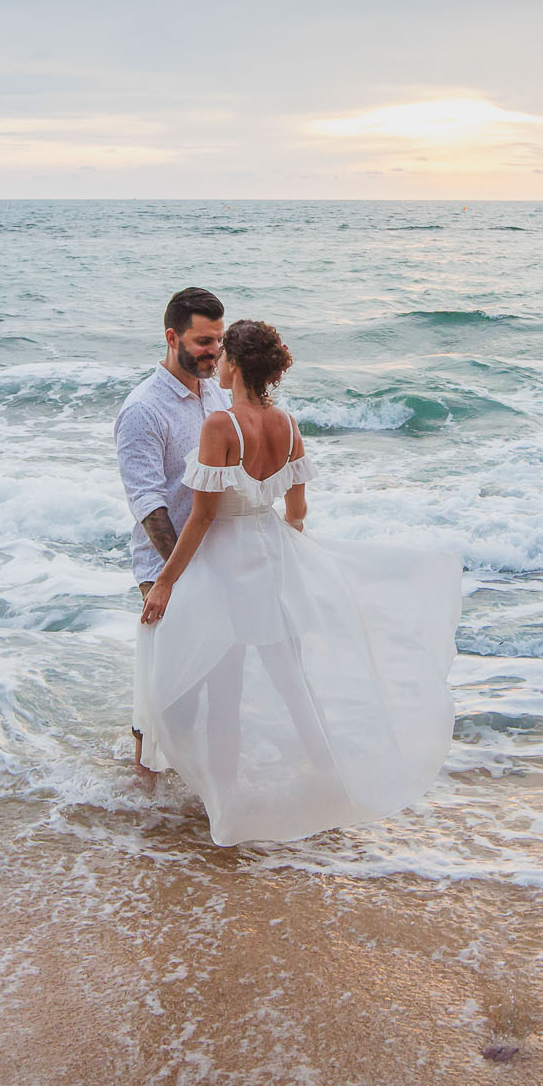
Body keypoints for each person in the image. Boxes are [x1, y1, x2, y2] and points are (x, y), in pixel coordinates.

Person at [134, 318, 461, 845]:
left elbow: (201, 519)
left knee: (225, 688)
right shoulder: (286, 423)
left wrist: (166, 582)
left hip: (226, 566)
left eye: (224, 354)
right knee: (293, 682)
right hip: (272, 561)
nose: (218, 361)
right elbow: (298, 512)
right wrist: (280, 552)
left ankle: (227, 810)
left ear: (236, 364)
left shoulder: (220, 426)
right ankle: (332, 785)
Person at [115, 287, 232, 774]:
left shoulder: (216, 392)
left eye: (219, 340)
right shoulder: (143, 409)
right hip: (166, 567)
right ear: (172, 338)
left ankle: (198, 791)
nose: (214, 352)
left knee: (218, 685)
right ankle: (145, 795)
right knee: (166, 690)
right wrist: (182, 574)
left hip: (219, 561)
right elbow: (148, 504)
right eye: (204, 341)